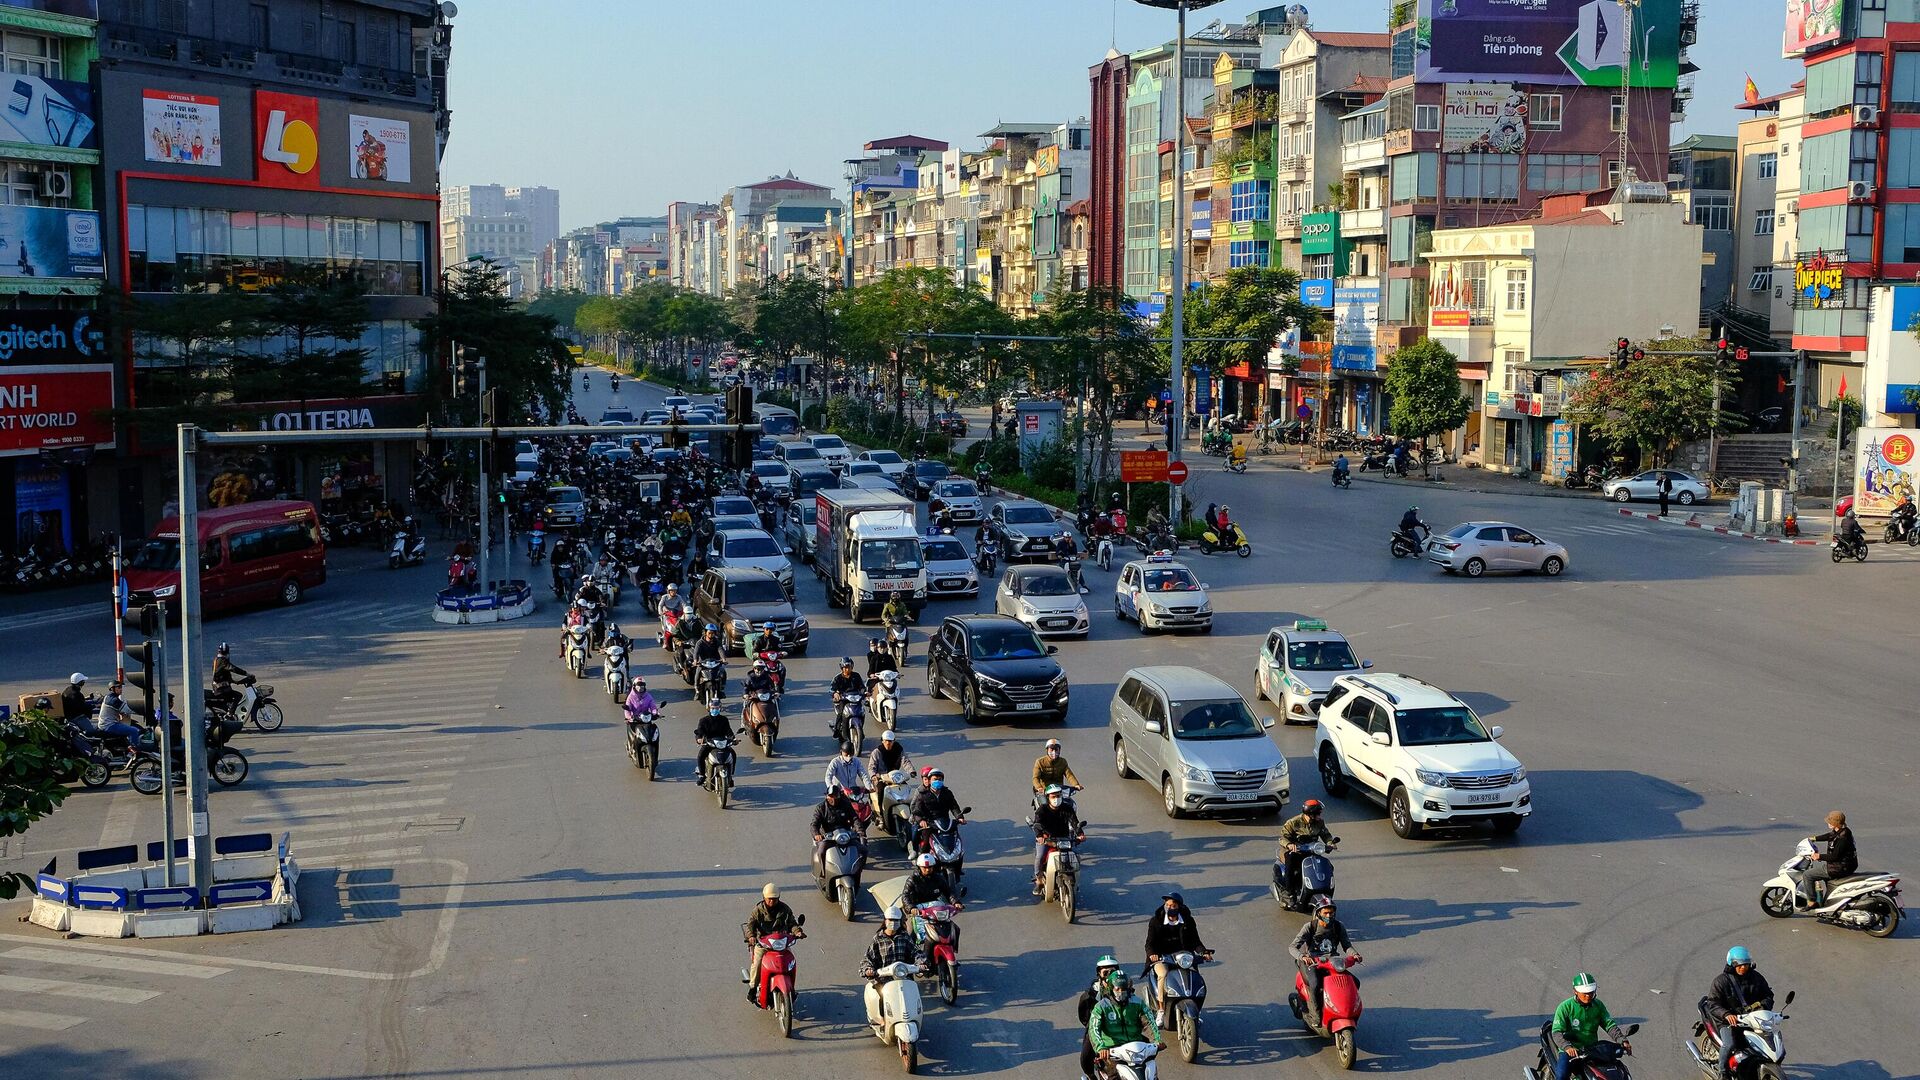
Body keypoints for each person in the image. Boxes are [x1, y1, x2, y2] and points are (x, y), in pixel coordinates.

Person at [1701, 946, 1774, 1079]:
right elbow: (1713, 1003)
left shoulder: (1756, 978)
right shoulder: (1721, 981)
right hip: (1726, 1020)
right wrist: (1726, 1014)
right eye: (1739, 965)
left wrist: (1763, 1005)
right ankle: (1722, 1072)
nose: (1743, 968)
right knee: (1729, 1044)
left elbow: (1768, 995)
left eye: (1745, 965)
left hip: (1750, 1018)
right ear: (1732, 964)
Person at [1548, 973, 1629, 1080]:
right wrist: (1567, 1047)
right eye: (1585, 993)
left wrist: (1622, 1040)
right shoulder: (1565, 1007)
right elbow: (1557, 1032)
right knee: (1561, 1076)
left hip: (1592, 1049)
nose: (1588, 996)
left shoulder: (1598, 1005)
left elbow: (1609, 1025)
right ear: (1575, 991)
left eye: (1591, 992)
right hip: (1571, 1050)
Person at [1289, 898, 1357, 1022]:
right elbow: (1292, 947)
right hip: (1313, 962)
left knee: (1354, 982)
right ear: (1319, 913)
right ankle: (1315, 1016)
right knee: (1315, 984)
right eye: (1326, 913)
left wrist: (1355, 954)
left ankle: (1344, 1009)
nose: (1329, 916)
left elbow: (1347, 945)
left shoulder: (1338, 926)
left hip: (1332, 962)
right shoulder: (1310, 927)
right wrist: (1303, 957)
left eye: (1331, 913)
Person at [1143, 892, 1210, 1012]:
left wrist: (1204, 952)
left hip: (1183, 957)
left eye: (1173, 906)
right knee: (1163, 974)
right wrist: (1152, 954)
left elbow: (1195, 941)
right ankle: (1161, 1008)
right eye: (1167, 905)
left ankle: (1197, 1009)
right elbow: (1149, 943)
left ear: (1179, 907)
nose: (1169, 908)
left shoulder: (1188, 921)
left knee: (1196, 979)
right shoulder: (1156, 921)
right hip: (1163, 957)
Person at [1087, 971, 1160, 1068]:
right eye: (1118, 989)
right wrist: (1101, 1048)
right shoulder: (1101, 1007)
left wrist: (1157, 1040)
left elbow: (1150, 1022)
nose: (1121, 992)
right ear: (1111, 988)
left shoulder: (1138, 1003)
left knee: (1152, 1074)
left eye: (1124, 989)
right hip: (1112, 1052)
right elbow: (1094, 1028)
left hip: (1137, 1049)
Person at [861, 905, 921, 1023]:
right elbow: (867, 959)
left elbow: (916, 952)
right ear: (885, 920)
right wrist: (868, 969)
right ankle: (882, 1021)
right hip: (883, 979)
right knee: (882, 998)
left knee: (911, 998)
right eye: (890, 920)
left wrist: (921, 962)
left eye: (896, 920)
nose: (893, 923)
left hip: (904, 977)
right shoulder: (878, 939)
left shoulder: (904, 937)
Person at [744, 883, 798, 1002]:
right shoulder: (758, 910)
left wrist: (797, 931)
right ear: (764, 898)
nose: (772, 902)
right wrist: (752, 936)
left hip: (780, 943)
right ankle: (752, 988)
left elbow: (792, 923)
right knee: (757, 963)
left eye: (775, 899)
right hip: (763, 943)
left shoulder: (785, 909)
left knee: (791, 961)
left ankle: (791, 988)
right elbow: (750, 925)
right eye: (770, 899)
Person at [1791, 810, 1856, 905]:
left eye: (1830, 822)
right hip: (1843, 865)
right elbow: (1830, 836)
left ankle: (1811, 901)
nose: (1828, 823)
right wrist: (1814, 838)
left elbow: (1834, 856)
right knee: (1823, 877)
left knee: (1808, 875)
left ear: (1836, 823)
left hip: (1839, 867)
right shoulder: (1843, 831)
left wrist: (1819, 856)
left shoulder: (1843, 838)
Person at [1077, 956, 1127, 1079]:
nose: (1109, 975)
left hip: (1123, 1027)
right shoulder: (1090, 995)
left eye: (1112, 972)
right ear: (1099, 974)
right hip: (1099, 1029)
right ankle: (1090, 1075)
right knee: (1086, 1053)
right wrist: (1093, 1026)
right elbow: (1083, 1016)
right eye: (1106, 972)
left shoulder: (1125, 989)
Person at [1030, 784, 1084, 896]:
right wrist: (1040, 836)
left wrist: (1080, 834)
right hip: (1047, 839)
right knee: (1040, 857)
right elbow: (1037, 824)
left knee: (1076, 858)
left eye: (1058, 796)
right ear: (1048, 797)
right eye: (1053, 796)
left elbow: (1074, 822)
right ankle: (1039, 880)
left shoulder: (1067, 808)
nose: (1056, 799)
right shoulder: (1042, 810)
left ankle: (1075, 882)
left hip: (1063, 838)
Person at [1277, 799, 1334, 898]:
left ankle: (1320, 887)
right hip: (1294, 851)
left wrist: (1330, 843)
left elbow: (1326, 834)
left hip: (1311, 850)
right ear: (1310, 814)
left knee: (1328, 866)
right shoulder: (1293, 822)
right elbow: (1283, 838)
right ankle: (1289, 892)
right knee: (1291, 867)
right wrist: (1289, 845)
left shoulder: (1319, 822)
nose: (1319, 816)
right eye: (1317, 814)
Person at [810, 785, 863, 877]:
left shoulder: (845, 804)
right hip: (828, 837)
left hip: (845, 835)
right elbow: (814, 824)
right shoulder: (821, 808)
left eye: (835, 796)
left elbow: (855, 818)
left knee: (863, 850)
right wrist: (817, 834)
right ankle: (823, 873)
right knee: (821, 851)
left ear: (839, 795)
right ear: (826, 796)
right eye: (831, 796)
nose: (833, 798)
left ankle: (857, 872)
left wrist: (860, 831)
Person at [90, 680, 145, 744]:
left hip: (106, 724)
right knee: (134, 731)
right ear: (112, 689)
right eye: (118, 688)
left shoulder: (109, 697)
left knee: (128, 728)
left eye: (121, 687)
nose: (121, 689)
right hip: (109, 726)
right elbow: (127, 709)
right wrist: (142, 712)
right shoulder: (113, 700)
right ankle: (135, 749)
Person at [693, 701, 732, 784]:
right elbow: (699, 732)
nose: (715, 710)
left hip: (722, 743)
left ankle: (730, 776)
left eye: (717, 708)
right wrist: (699, 739)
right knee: (701, 756)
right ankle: (702, 775)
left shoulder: (724, 720)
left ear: (720, 709)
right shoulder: (703, 720)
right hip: (709, 743)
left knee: (733, 755)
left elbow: (729, 731)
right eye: (713, 708)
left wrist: (733, 739)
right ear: (709, 709)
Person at [208, 643, 252, 715]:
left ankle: (229, 711)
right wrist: (246, 673)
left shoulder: (217, 660)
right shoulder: (222, 661)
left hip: (219, 687)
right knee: (238, 696)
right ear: (227, 652)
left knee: (231, 698)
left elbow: (223, 674)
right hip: (221, 689)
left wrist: (236, 681)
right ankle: (230, 714)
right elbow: (233, 668)